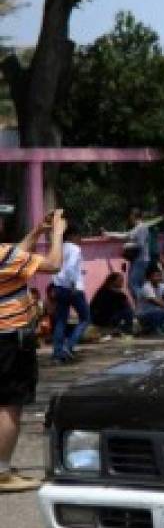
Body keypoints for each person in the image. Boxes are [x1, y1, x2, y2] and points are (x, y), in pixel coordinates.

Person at [1, 209, 66, 492]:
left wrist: (39, 230)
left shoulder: (7, 255)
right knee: (9, 405)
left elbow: (16, 253)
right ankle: (2, 472)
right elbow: (53, 265)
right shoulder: (5, 255)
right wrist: (58, 234)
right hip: (10, 338)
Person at [51, 225, 89, 362]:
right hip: (72, 288)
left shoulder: (58, 248)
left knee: (61, 320)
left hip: (59, 286)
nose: (80, 239)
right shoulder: (75, 249)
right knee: (85, 318)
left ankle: (57, 352)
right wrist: (73, 283)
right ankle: (69, 346)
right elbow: (70, 268)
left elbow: (54, 267)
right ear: (71, 236)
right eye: (78, 236)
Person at [136, 266, 164, 335]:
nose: (159, 278)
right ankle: (154, 329)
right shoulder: (146, 287)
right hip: (144, 314)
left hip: (156, 311)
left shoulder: (161, 285)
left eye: (160, 275)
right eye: (156, 276)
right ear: (149, 277)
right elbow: (155, 302)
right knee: (163, 310)